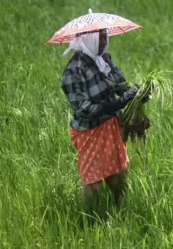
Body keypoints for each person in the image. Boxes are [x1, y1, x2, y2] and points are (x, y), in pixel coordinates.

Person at [60, 28, 150, 210]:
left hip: (112, 127)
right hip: (90, 131)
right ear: (89, 39)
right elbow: (84, 109)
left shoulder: (104, 59)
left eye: (105, 37)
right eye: (99, 38)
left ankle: (120, 209)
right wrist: (117, 104)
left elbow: (121, 86)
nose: (104, 42)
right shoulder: (74, 70)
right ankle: (91, 218)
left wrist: (138, 93)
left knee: (118, 175)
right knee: (93, 180)